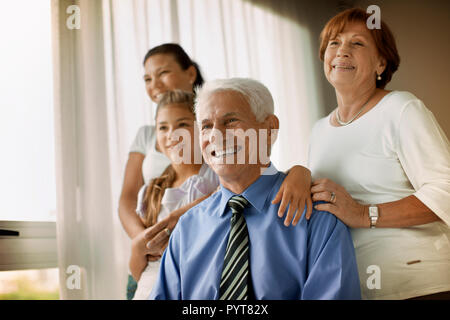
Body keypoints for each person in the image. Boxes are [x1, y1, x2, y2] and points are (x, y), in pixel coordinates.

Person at [119, 43, 314, 299]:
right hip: (155, 251)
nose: (155, 84)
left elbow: (250, 176)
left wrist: (300, 172)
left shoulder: (216, 165)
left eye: (229, 121)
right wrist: (144, 241)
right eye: (207, 126)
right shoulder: (148, 146)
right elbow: (127, 197)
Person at [149, 78, 361, 300]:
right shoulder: (187, 229)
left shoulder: (317, 218)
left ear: (269, 128)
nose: (215, 136)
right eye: (206, 126)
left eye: (230, 121)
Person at [302, 8, 450, 299]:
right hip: (353, 288)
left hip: (419, 286)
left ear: (381, 62)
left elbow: (446, 191)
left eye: (357, 43)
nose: (342, 51)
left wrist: (363, 213)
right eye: (334, 42)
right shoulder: (318, 130)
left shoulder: (402, 109)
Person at [130, 90, 220, 299]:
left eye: (182, 125)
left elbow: (225, 196)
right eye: (163, 127)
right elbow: (140, 266)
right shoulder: (151, 193)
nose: (172, 135)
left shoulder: (217, 178)